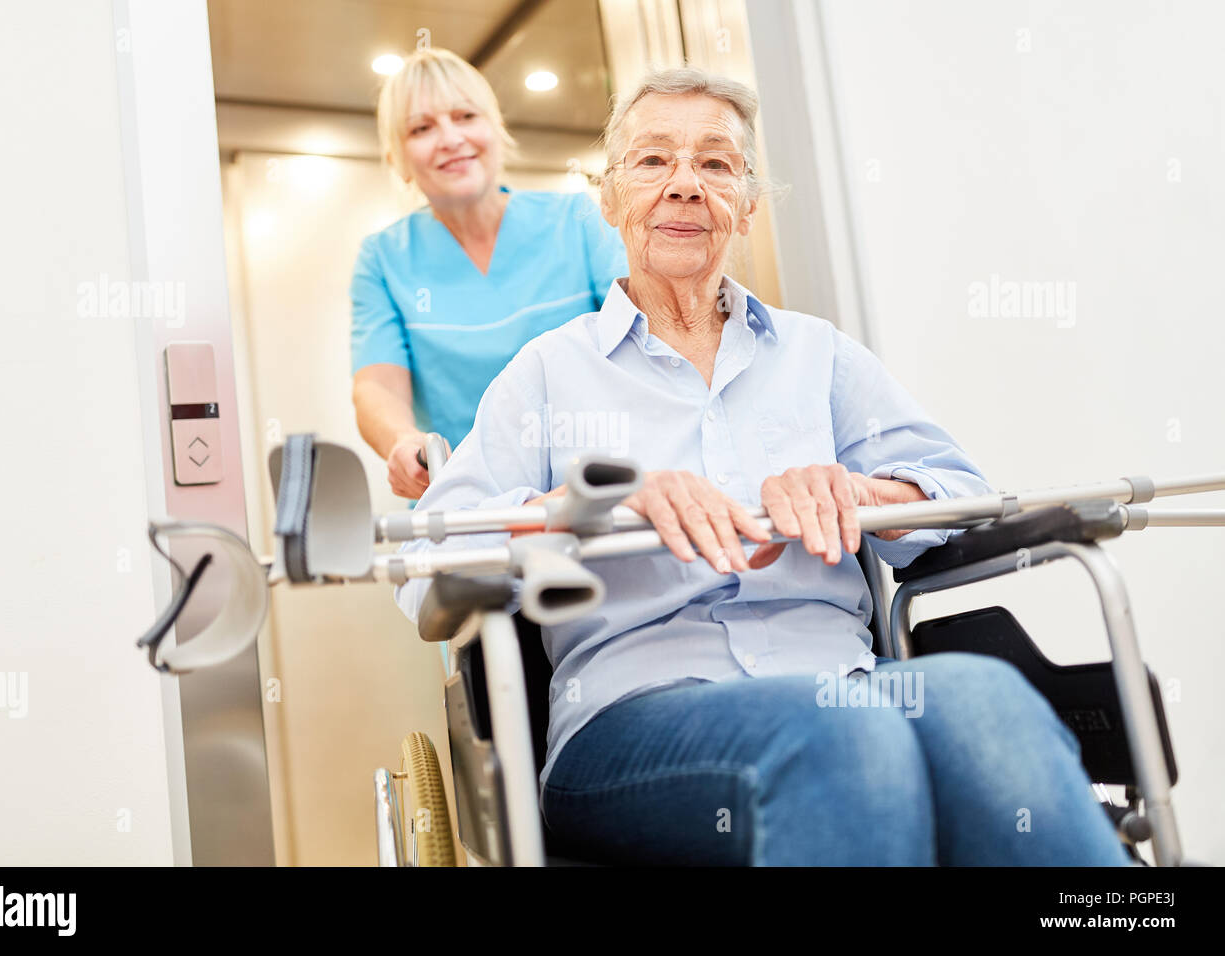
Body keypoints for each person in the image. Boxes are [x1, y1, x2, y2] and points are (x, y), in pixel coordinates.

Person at [392, 67, 1133, 866]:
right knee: (845, 740)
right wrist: (588, 507)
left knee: (991, 702)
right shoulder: (546, 373)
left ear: (746, 203)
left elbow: (965, 498)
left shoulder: (819, 356)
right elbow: (426, 562)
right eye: (652, 162)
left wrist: (861, 489)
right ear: (608, 198)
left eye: (715, 164)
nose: (684, 185)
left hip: (844, 680)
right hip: (636, 719)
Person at [350, 47, 628, 501]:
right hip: (472, 502)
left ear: (495, 128)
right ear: (397, 157)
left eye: (465, 116)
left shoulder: (577, 220)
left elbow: (647, 337)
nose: (449, 139)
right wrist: (401, 440)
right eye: (421, 128)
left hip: (593, 489)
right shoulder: (383, 258)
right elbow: (377, 384)